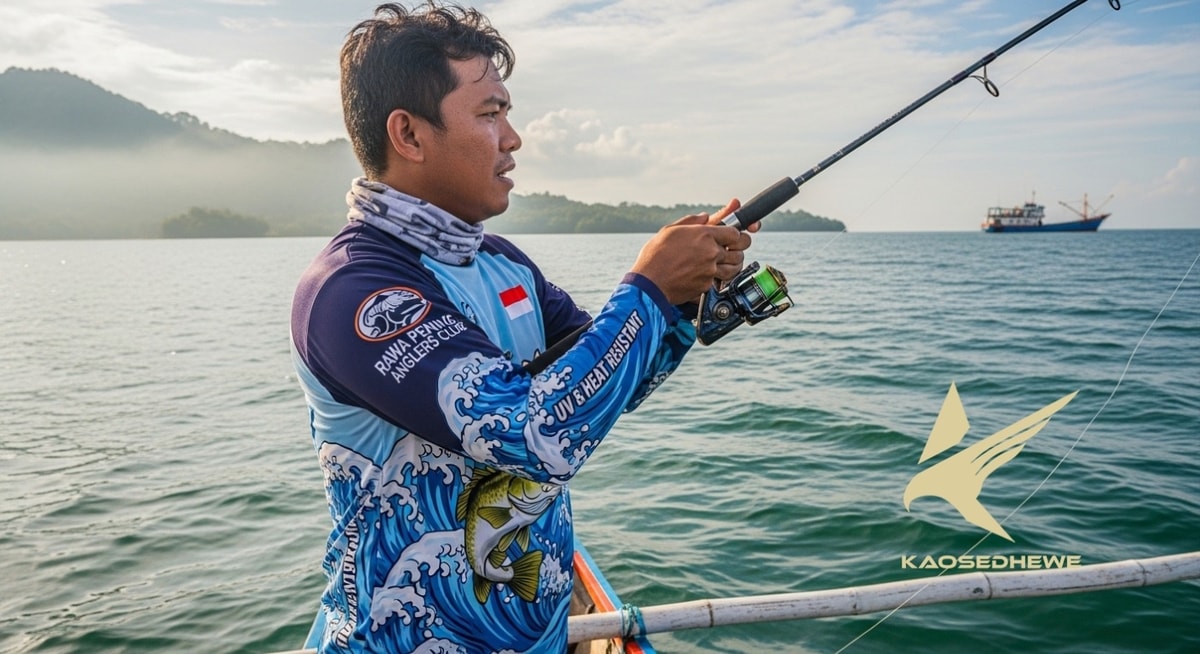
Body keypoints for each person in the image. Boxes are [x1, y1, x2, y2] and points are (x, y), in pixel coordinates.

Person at [290, 3, 754, 652]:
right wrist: (647, 288)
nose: (513, 138)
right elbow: (535, 434)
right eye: (489, 114)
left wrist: (680, 300)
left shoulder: (502, 263)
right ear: (409, 135)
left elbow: (605, 385)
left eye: (507, 112)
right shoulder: (353, 290)